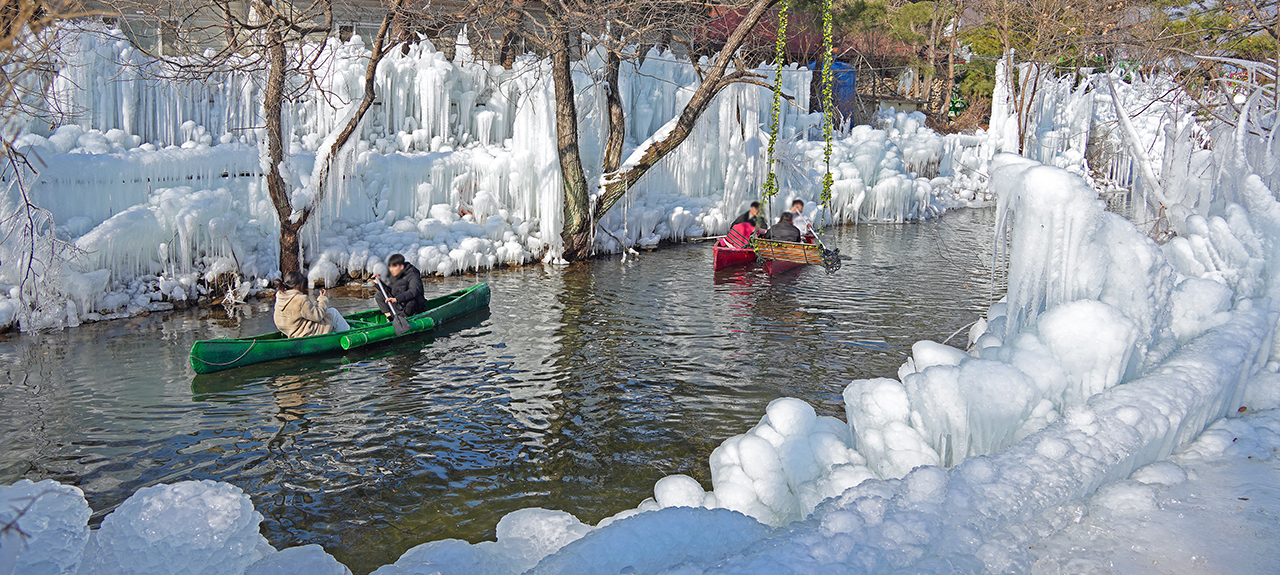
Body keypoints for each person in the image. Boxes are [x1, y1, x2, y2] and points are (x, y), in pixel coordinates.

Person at [273, 270, 351, 338]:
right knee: (333, 312)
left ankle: (334, 333)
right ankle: (349, 334)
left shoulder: (280, 297)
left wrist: (315, 304)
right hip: (306, 333)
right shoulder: (300, 299)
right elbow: (318, 316)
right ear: (298, 285)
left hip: (292, 332)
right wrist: (322, 300)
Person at [372, 253, 428, 318]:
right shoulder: (395, 275)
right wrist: (379, 283)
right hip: (400, 306)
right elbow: (389, 291)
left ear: (401, 267)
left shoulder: (413, 275)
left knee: (411, 301)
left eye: (394, 267)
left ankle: (404, 318)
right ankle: (390, 318)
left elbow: (414, 291)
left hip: (414, 308)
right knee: (379, 295)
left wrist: (396, 299)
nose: (391, 269)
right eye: (390, 267)